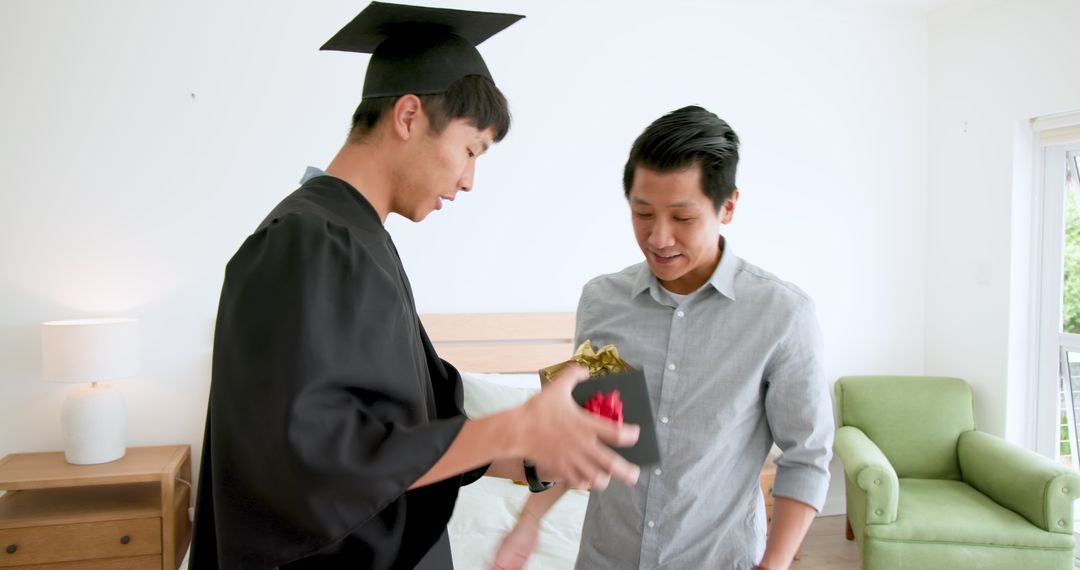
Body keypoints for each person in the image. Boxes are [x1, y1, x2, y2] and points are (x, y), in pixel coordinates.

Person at [188, 3, 640, 569]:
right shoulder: (303, 242)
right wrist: (515, 426)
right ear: (408, 116)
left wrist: (530, 458)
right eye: (471, 149)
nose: (469, 179)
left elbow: (419, 428)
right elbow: (316, 457)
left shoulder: (359, 239)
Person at [494, 106, 834, 570]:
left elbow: (807, 456)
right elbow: (587, 438)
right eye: (642, 213)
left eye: (682, 217)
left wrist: (773, 564)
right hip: (605, 558)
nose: (658, 237)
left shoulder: (782, 315)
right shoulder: (602, 302)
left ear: (727, 207)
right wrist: (530, 520)